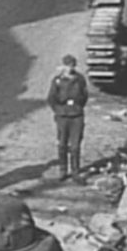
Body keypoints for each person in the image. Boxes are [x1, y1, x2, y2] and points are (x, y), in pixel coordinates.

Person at [47, 54, 89, 184]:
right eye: (67, 65)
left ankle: (76, 172)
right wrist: (59, 110)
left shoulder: (80, 79)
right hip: (62, 115)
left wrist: (77, 107)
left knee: (75, 146)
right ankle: (63, 170)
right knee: (62, 144)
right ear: (63, 66)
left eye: (72, 65)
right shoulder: (57, 81)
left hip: (76, 115)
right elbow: (51, 98)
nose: (70, 68)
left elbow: (84, 96)